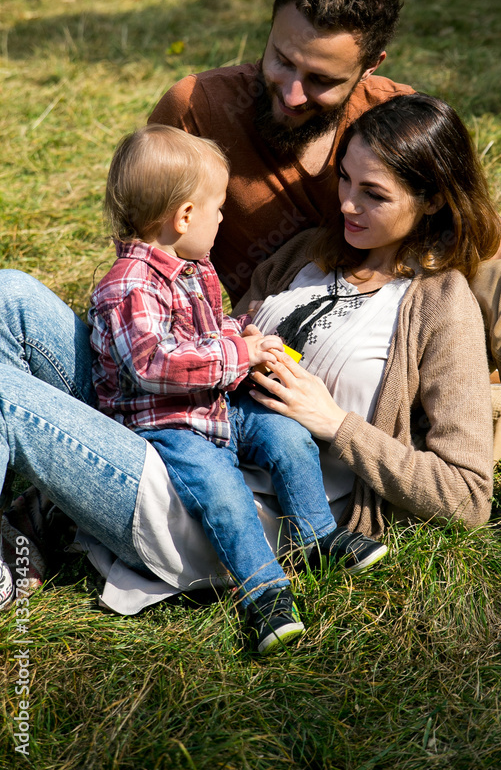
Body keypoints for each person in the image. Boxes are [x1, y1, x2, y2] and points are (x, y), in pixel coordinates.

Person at [1, 0, 501, 640]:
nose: (290, 91)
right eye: (280, 60)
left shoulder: (391, 129)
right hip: (205, 366)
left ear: (368, 70)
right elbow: (142, 267)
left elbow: (495, 239)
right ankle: (44, 503)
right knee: (10, 295)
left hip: (276, 408)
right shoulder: (198, 110)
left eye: (319, 79)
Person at [0, 97, 496, 629]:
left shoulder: (442, 304)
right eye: (346, 180)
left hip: (231, 497)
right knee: (10, 292)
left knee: (5, 395)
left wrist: (335, 423)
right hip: (176, 417)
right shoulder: (309, 252)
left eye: (373, 194)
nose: (348, 205)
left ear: (432, 202)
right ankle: (28, 516)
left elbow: (467, 493)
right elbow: (202, 338)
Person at [87, 124, 388, 653]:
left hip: (217, 404)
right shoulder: (128, 285)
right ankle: (263, 592)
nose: (223, 218)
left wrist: (242, 335)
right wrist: (237, 356)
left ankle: (315, 533)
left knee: (287, 435)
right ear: (183, 216)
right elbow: (155, 366)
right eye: (218, 208)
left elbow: (210, 327)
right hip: (168, 425)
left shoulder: (194, 266)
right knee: (223, 493)